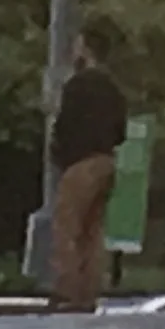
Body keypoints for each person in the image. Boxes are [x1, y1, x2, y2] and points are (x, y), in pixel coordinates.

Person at [47, 21, 128, 313]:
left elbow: (65, 125)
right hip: (106, 161)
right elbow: (121, 131)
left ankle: (67, 291)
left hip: (80, 163)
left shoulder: (77, 85)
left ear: (87, 49)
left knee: (67, 228)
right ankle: (88, 294)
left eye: (79, 44)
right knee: (93, 232)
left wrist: (59, 151)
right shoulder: (114, 88)